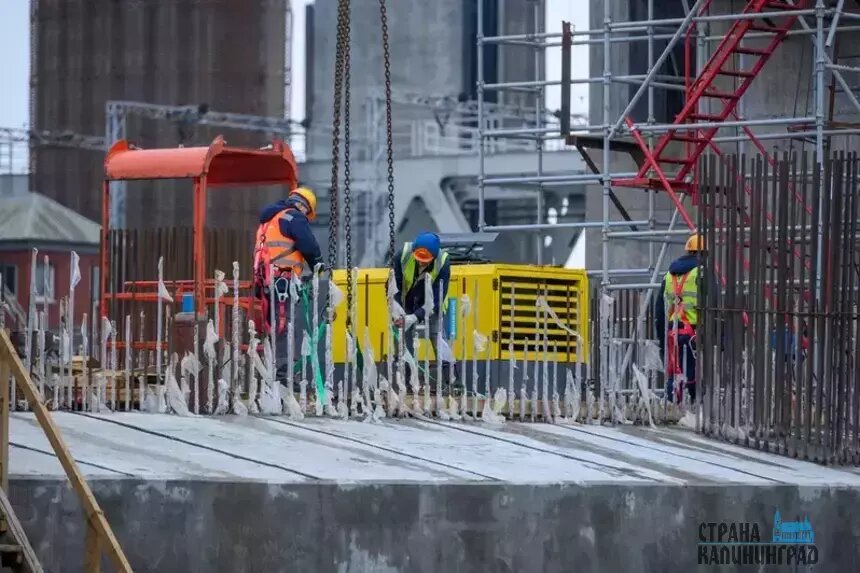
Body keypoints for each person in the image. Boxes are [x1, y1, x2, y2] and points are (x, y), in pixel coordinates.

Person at [253, 186, 323, 339]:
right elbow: (308, 245)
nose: (305, 216)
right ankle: (283, 362)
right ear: (301, 206)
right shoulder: (293, 217)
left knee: (272, 326)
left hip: (265, 281)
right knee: (285, 327)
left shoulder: (269, 220)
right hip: (283, 282)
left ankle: (271, 360)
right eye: (306, 212)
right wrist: (318, 265)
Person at [654, 233, 704, 403]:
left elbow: (660, 309)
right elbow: (714, 305)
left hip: (673, 330)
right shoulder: (702, 273)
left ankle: (671, 406)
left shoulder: (669, 275)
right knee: (694, 374)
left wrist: (661, 337)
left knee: (674, 371)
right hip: (694, 332)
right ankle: (696, 409)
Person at [393, 232, 451, 361]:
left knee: (437, 335)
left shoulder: (442, 263)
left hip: (433, 302)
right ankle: (407, 374)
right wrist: (396, 309)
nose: (421, 263)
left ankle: (450, 376)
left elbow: (437, 299)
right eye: (418, 259)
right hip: (408, 297)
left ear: (434, 257)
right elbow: (394, 286)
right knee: (403, 337)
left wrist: (415, 317)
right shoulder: (402, 256)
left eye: (425, 261)